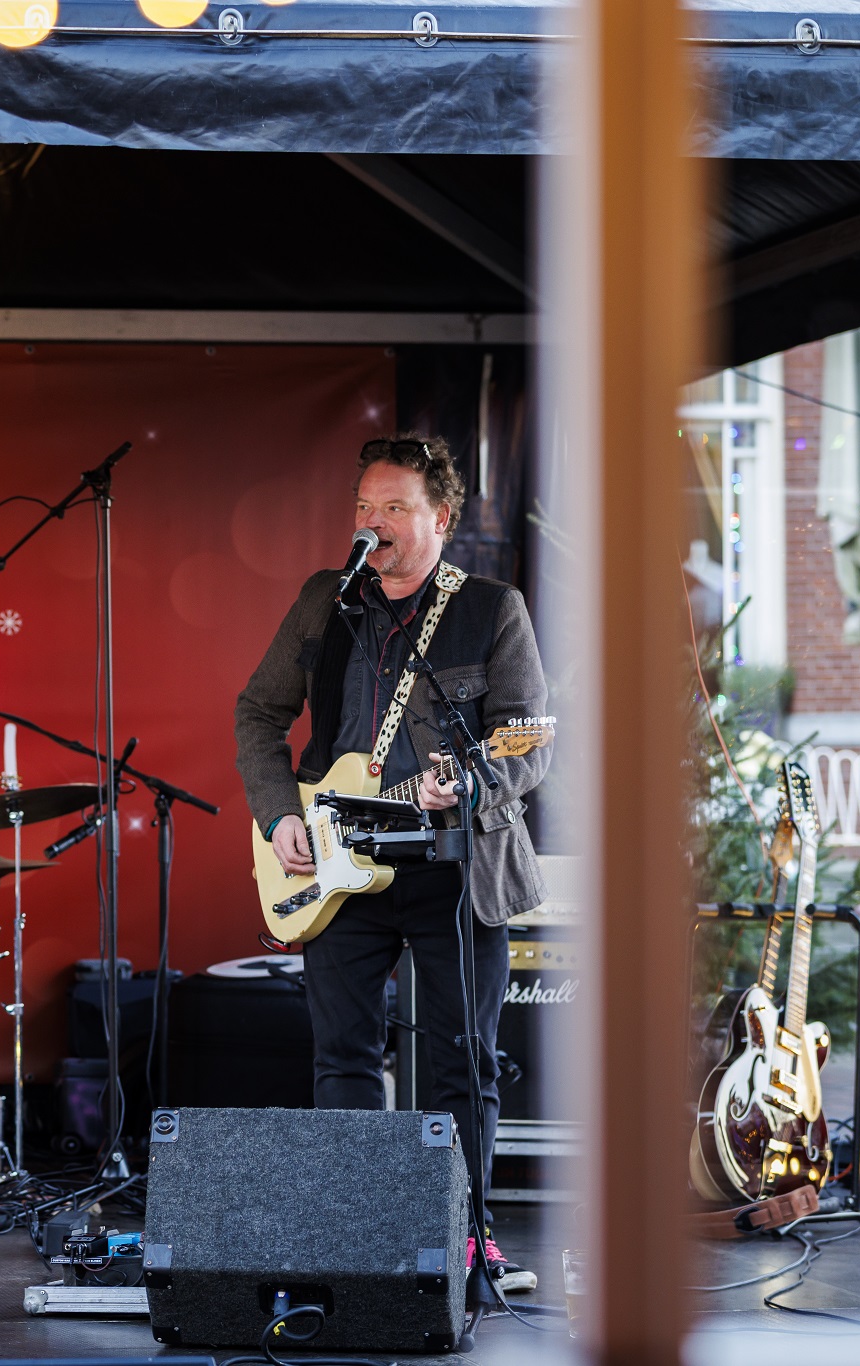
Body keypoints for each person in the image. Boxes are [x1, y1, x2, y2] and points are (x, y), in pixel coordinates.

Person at [233, 435, 551, 1295]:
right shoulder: (326, 599)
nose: (372, 524)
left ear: (441, 518)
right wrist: (278, 814)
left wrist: (468, 783)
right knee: (342, 1056)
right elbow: (258, 712)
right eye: (364, 507)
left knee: (462, 1062)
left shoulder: (491, 608)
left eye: (394, 508)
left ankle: (465, 1238)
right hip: (338, 865)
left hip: (454, 868)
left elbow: (527, 742)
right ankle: (355, 1236)